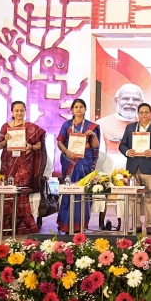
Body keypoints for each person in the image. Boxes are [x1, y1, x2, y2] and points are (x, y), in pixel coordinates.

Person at [0, 100, 47, 235]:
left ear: (25, 111)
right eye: (16, 110)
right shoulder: (5, 127)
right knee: (9, 190)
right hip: (8, 164)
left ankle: (24, 224)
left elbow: (39, 145)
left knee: (22, 191)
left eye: (21, 110)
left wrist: (30, 146)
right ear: (12, 112)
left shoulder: (31, 127)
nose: (19, 113)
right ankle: (8, 223)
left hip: (25, 163)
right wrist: (5, 141)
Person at [119, 103, 151, 235]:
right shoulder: (130, 127)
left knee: (150, 197)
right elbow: (122, 145)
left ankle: (150, 225)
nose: (144, 115)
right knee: (133, 198)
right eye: (141, 112)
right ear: (138, 114)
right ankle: (136, 225)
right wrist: (127, 151)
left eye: (146, 112)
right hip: (133, 168)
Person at [56, 98, 100, 233]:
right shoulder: (67, 125)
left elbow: (95, 146)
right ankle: (66, 224)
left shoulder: (91, 126)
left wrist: (93, 136)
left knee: (83, 191)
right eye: (76, 107)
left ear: (85, 109)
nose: (79, 109)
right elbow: (60, 142)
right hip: (69, 160)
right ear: (72, 110)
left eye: (81, 106)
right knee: (69, 191)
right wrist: (66, 152)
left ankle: (80, 225)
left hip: (84, 161)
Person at [97, 84, 143, 153]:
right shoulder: (100, 124)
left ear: (141, 103)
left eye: (136, 99)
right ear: (116, 101)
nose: (131, 103)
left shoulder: (148, 125)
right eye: (125, 98)